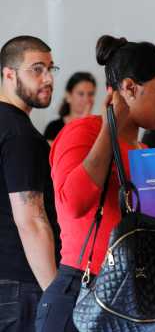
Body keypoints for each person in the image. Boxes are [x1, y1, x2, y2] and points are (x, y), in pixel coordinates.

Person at [36, 35, 155, 332]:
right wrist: (110, 127)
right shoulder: (83, 132)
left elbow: (150, 244)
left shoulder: (146, 156)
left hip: (132, 300)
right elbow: (74, 202)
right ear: (130, 88)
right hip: (84, 293)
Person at [0, 35, 61, 332]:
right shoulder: (19, 135)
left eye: (51, 69)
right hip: (21, 285)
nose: (47, 78)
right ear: (9, 74)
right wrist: (55, 296)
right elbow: (32, 220)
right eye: (36, 69)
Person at [43, 72, 96, 144]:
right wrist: (82, 124)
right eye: (81, 94)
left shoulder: (98, 127)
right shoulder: (53, 128)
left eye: (90, 94)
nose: (86, 99)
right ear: (68, 96)